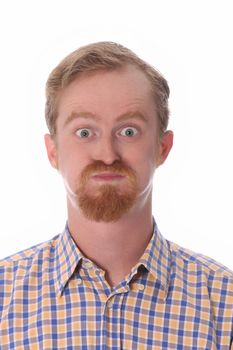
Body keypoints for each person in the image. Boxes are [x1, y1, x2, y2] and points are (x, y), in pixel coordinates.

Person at [0, 41, 232, 349]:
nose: (107, 155)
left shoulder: (224, 305)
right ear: (52, 151)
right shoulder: (3, 295)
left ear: (162, 148)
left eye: (128, 131)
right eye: (85, 132)